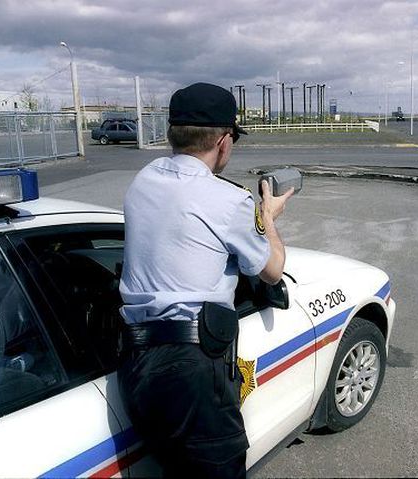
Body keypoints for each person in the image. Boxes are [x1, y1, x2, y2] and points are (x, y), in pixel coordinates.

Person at [117, 82, 293, 478]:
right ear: (224, 141)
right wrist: (267, 215)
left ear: (171, 134)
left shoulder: (143, 181)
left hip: (135, 360)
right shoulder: (229, 201)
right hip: (191, 371)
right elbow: (272, 269)